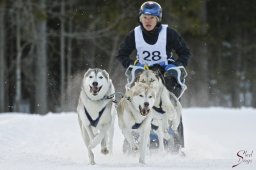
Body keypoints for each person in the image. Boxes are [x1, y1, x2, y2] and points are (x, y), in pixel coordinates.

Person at [116, 1, 191, 152]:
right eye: (145, 17)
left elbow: (185, 53)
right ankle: (132, 140)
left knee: (173, 104)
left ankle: (177, 143)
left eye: (152, 17)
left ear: (158, 19)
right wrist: (132, 66)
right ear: (140, 18)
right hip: (142, 76)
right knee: (132, 102)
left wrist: (175, 65)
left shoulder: (169, 33)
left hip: (165, 75)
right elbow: (121, 54)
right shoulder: (135, 34)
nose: (148, 21)